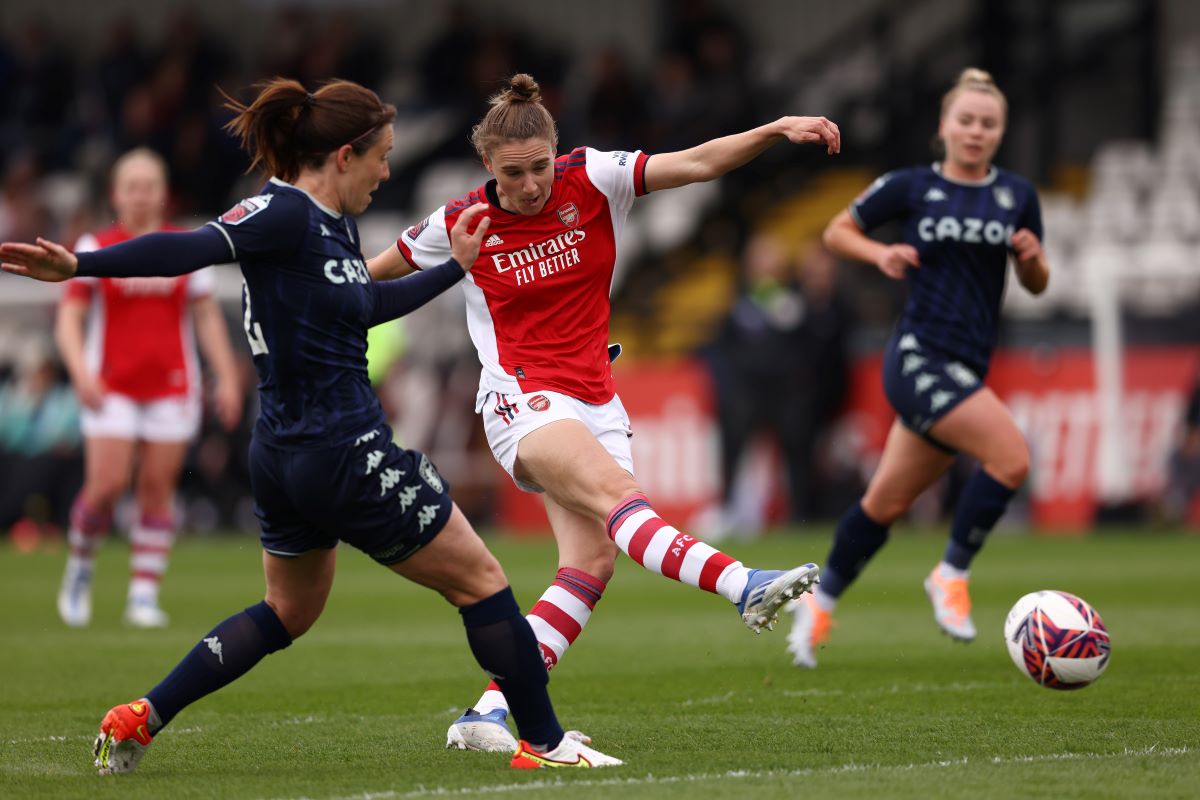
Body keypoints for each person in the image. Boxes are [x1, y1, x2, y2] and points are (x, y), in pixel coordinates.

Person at [1, 77, 619, 772]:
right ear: (345, 155)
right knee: (482, 583)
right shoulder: (283, 215)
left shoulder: (331, 224)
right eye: (382, 156)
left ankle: (143, 717)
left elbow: (364, 308)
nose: (389, 172)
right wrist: (82, 265)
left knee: (287, 611)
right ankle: (542, 742)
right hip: (343, 449)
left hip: (284, 455)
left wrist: (456, 269)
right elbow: (189, 249)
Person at [368, 73, 838, 752]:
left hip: (594, 394)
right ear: (487, 168)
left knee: (589, 564)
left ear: (555, 153)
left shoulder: (593, 176)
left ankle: (488, 713)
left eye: (538, 170)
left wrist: (773, 130)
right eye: (512, 174)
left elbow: (698, 162)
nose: (529, 187)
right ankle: (743, 584)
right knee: (622, 499)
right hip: (521, 401)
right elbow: (369, 274)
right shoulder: (461, 221)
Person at [785, 68, 1050, 668]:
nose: (976, 131)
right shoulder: (912, 187)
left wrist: (1033, 262)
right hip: (918, 357)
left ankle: (819, 603)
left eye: (988, 123)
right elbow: (837, 231)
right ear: (944, 126)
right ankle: (950, 573)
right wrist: (881, 251)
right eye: (966, 120)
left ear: (1000, 132)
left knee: (884, 504)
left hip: (966, 368)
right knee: (1012, 456)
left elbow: (1037, 283)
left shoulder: (1016, 195)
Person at [54, 147, 242, 629]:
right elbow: (69, 318)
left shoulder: (186, 247)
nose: (141, 195)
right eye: (131, 186)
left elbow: (205, 317)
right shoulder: (96, 244)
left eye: (150, 186)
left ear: (163, 194)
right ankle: (80, 566)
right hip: (111, 386)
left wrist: (224, 375)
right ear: (116, 194)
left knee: (157, 489)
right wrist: (80, 372)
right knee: (107, 486)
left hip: (172, 386)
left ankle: (143, 593)